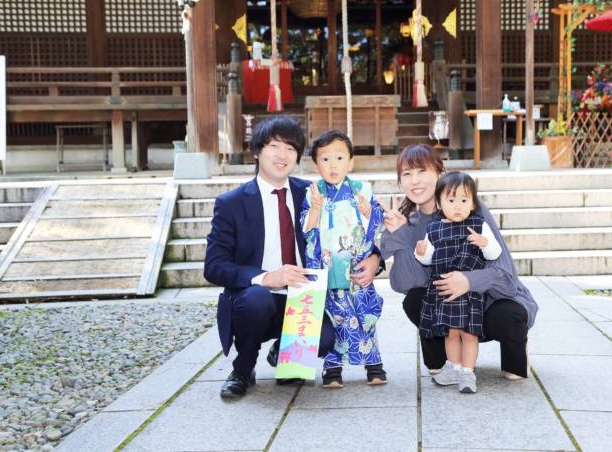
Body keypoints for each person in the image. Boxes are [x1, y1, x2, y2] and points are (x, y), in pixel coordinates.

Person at [204, 117, 382, 399]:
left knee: (328, 338)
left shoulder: (312, 194)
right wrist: (265, 277)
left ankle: (285, 353)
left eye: (290, 148)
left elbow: (353, 228)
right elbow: (213, 266)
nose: (282, 155)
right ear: (256, 152)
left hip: (304, 298)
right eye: (274, 146)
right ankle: (242, 368)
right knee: (256, 299)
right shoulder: (231, 203)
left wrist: (375, 259)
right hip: (255, 298)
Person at [379, 144, 537, 381]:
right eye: (407, 174)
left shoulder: (471, 209)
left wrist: (468, 280)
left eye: (422, 171)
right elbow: (407, 283)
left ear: (440, 174)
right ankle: (445, 358)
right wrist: (401, 235)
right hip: (449, 308)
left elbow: (506, 274)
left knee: (509, 313)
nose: (415, 181)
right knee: (414, 300)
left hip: (486, 302)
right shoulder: (408, 221)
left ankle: (514, 356)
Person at [301, 130, 387, 388]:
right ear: (316, 164)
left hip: (356, 266)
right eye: (325, 159)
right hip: (328, 267)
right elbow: (306, 230)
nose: (333, 164)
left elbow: (378, 224)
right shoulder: (312, 193)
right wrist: (316, 208)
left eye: (339, 157)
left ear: (351, 161)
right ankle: (333, 370)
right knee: (335, 317)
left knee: (364, 317)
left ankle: (374, 366)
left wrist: (369, 212)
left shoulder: (362, 190)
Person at [414, 172, 502, 393]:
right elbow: (427, 258)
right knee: (451, 332)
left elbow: (494, 253)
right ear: (439, 203)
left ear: (473, 202)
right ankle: (453, 366)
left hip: (469, 291)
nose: (457, 206)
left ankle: (468, 372)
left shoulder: (479, 224)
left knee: (468, 333)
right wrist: (421, 251)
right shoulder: (433, 229)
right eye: (451, 200)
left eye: (464, 200)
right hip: (444, 290)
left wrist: (484, 243)